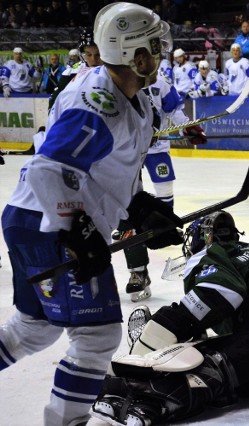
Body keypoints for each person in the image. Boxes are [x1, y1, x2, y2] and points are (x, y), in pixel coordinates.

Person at [0, 4, 181, 425]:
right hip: (49, 225)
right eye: (154, 47)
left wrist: (140, 206)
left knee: (34, 329)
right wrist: (77, 230)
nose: (161, 53)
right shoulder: (100, 105)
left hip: (29, 219)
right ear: (136, 56)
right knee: (97, 338)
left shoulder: (127, 97)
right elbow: (49, 169)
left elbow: (107, 168)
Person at [90, 211, 249, 425]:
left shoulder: (211, 252)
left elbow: (220, 293)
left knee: (216, 370)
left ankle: (152, 394)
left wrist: (156, 335)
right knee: (247, 347)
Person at [118, 74, 206, 302]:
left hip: (156, 147)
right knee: (126, 207)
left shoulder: (160, 82)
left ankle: (162, 228)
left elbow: (174, 109)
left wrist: (188, 127)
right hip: (125, 152)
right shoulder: (111, 80)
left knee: (163, 195)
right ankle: (137, 269)